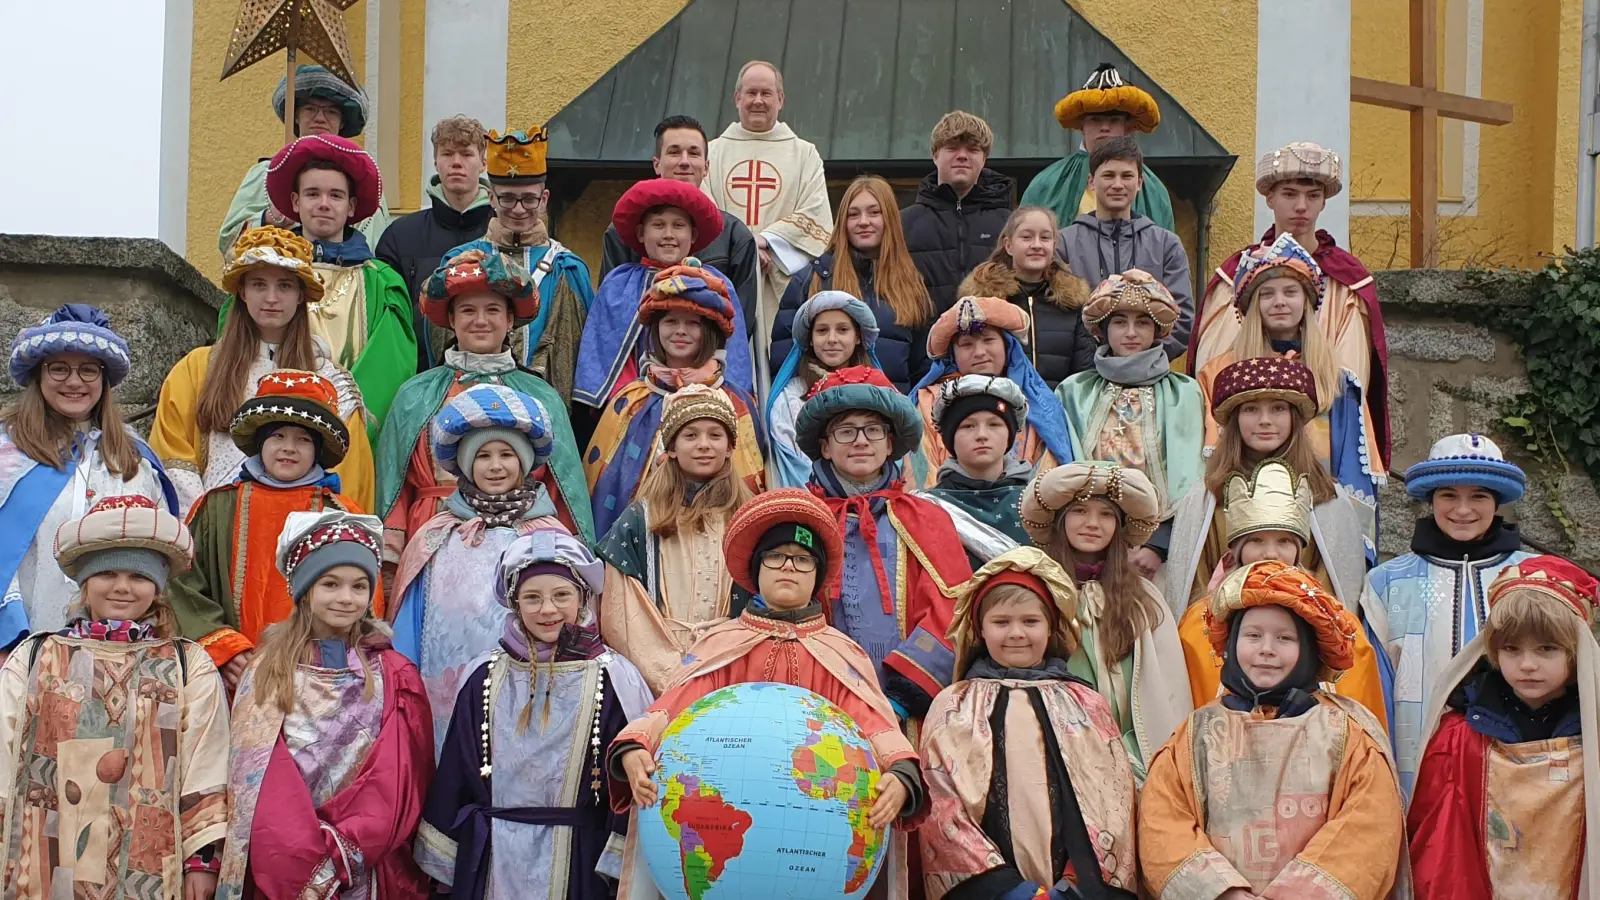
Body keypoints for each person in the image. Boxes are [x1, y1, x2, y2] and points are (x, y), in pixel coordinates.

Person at [607, 489, 925, 900]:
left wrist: (901, 773)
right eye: (775, 556)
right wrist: (635, 746)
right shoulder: (720, 644)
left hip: (815, 845)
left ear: (818, 574)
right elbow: (675, 705)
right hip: (720, 831)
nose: (788, 567)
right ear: (756, 569)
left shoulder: (842, 655)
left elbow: (873, 722)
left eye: (803, 558)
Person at [1138, 559, 1408, 900]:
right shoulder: (1195, 736)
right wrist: (1223, 893)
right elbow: (1162, 823)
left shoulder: (1348, 736)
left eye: (1284, 638)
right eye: (1253, 635)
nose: (1266, 649)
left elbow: (1369, 826)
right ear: (1233, 643)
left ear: (1308, 649)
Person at [0, 495, 226, 899]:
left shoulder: (187, 664)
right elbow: (2, 748)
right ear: (85, 583)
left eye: (138, 577)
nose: (122, 587)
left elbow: (204, 763)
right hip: (44, 864)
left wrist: (202, 861)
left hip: (150, 863)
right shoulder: (36, 656)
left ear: (156, 588)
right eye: (107, 574)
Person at [419, 530, 656, 898]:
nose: (548, 609)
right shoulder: (484, 675)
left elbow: (624, 782)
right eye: (532, 597)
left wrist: (614, 864)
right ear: (515, 603)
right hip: (494, 859)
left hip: (579, 861)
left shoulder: (613, 678)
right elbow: (456, 770)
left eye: (561, 595)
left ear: (582, 598)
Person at [217, 510, 432, 899]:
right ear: (304, 590)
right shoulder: (268, 670)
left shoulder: (396, 674)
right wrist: (301, 856)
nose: (346, 598)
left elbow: (400, 775)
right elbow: (258, 777)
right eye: (330, 584)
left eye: (359, 586)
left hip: (369, 860)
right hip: (282, 859)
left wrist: (344, 850)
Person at [919, 547, 1140, 900]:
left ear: (1051, 627)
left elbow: (1111, 801)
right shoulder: (954, 706)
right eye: (1001, 622)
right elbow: (942, 802)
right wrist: (1009, 891)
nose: (1017, 633)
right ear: (979, 629)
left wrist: (1076, 884)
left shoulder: (1086, 704)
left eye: (1030, 621)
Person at [376, 254, 593, 575]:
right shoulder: (415, 394)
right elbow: (394, 485)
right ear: (451, 318)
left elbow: (562, 488)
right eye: (467, 310)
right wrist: (391, 564)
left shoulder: (540, 395)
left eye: (492, 310)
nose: (480, 320)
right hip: (431, 536)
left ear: (509, 321)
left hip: (521, 540)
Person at [391, 384, 579, 748]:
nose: (495, 466)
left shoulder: (551, 537)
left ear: (524, 462)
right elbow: (409, 621)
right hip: (443, 691)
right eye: (483, 456)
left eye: (507, 454)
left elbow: (575, 618)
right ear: (465, 463)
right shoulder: (437, 536)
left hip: (531, 688)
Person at [1189, 142, 1391, 471]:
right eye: (1289, 194)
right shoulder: (1236, 276)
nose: (1301, 206)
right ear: (1269, 197)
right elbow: (1213, 374)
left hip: (1320, 442)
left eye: (1312, 196)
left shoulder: (1348, 282)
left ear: (1324, 201)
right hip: (1245, 440)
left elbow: (1349, 380)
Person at [1408, 556, 1600, 898]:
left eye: (1547, 648)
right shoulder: (1460, 737)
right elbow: (1440, 845)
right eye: (1511, 648)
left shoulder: (1593, 738)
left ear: (1576, 651)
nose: (1528, 665)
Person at [168, 370, 375, 686]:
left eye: (303, 439)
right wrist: (225, 650)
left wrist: (334, 666)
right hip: (233, 672)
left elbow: (363, 600)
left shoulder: (341, 513)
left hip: (319, 674)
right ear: (259, 443)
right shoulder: (217, 508)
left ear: (318, 450)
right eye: (278, 436)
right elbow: (183, 582)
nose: (289, 448)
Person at [151, 226, 376, 515]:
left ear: (300, 295)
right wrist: (207, 525)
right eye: (259, 284)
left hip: (304, 539)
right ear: (242, 292)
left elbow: (350, 482)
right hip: (215, 537)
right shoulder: (198, 369)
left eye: (284, 285)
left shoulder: (333, 382)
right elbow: (172, 460)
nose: (271, 297)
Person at [795, 366, 973, 719]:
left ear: (890, 444)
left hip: (911, 715)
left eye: (873, 430)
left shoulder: (927, 518)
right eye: (846, 431)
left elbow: (952, 611)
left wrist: (905, 695)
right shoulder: (799, 518)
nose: (861, 440)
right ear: (825, 447)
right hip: (817, 710)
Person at [0, 305, 178, 648]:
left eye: (88, 370)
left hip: (117, 651)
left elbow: (155, 557)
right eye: (59, 369)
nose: (74, 381)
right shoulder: (8, 453)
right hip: (22, 641)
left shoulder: (134, 460)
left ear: (104, 379)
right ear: (38, 375)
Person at [1369, 433, 1532, 793]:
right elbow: (1373, 682)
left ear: (1497, 501)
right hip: (1413, 759)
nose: (1462, 510)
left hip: (1518, 756)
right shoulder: (1385, 582)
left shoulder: (1533, 576)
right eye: (1449, 496)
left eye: (1478, 496)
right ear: (1431, 499)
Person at [1194, 232, 1384, 538]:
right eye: (1267, 294)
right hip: (1243, 528)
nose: (1279, 302)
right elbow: (1209, 464)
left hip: (1320, 529)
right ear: (1252, 305)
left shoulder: (1338, 380)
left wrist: (1348, 546)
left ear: (1307, 302)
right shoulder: (1219, 373)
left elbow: (1353, 474)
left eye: (1291, 292)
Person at [1159, 357, 1378, 622]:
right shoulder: (1205, 498)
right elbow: (1194, 584)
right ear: (1234, 418)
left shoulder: (1327, 497)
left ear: (1294, 418)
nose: (1265, 420)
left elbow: (1336, 588)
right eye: (1251, 409)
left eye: (1277, 408)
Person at [1174, 460, 1389, 725]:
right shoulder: (1198, 624)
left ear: (1300, 549)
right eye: (1256, 540)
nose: (1271, 553)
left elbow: (1360, 712)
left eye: (1284, 541)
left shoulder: (1336, 621)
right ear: (1236, 551)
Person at [1020, 462, 1190, 778]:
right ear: (1060, 521)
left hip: (1134, 757)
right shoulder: (1035, 591)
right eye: (1080, 511)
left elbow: (1169, 688)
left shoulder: (1144, 598)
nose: (1093, 524)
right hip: (1059, 754)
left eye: (1106, 514)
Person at [584, 265, 765, 537]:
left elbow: (753, 480)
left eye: (693, 323)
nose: (680, 331)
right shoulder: (631, 399)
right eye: (670, 322)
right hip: (640, 539)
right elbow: (602, 484)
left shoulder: (736, 402)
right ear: (654, 330)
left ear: (711, 331)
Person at [598, 387, 756, 693]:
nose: (704, 445)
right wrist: (670, 675)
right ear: (671, 447)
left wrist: (725, 660)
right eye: (691, 435)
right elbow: (623, 612)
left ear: (729, 447)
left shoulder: (747, 516)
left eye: (715, 435)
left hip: (730, 665)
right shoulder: (640, 520)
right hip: (656, 676)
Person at [255, 133, 417, 430]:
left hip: (352, 433)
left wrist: (344, 423)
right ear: (295, 201)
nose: (324, 204)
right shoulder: (264, 275)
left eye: (336, 195)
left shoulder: (381, 283)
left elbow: (390, 370)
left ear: (352, 206)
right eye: (313, 194)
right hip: (274, 429)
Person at [1056, 270, 1203, 568]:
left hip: (1157, 553)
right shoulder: (1074, 391)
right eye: (1120, 322)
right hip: (1085, 544)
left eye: (1143, 322)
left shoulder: (1184, 393)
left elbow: (1192, 476)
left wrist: (1159, 545)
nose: (1131, 333)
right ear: (1103, 329)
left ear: (1157, 330)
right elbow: (1060, 468)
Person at [574, 178, 755, 410]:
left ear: (694, 234)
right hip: (634, 406)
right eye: (658, 225)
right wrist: (637, 399)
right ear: (640, 233)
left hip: (705, 405)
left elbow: (732, 355)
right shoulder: (618, 285)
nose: (668, 234)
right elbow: (606, 356)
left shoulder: (715, 284)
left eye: (678, 225)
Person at [441, 127, 593, 401]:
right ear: (491, 198)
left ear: (544, 199)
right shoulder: (457, 261)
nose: (519, 208)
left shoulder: (568, 269)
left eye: (529, 198)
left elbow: (584, 360)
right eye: (508, 197)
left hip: (547, 411)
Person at [702, 60, 833, 330]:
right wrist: (745, 249)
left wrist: (765, 242)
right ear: (737, 98)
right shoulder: (710, 154)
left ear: (781, 99)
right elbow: (704, 211)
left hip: (782, 284)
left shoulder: (804, 154)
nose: (758, 101)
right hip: (726, 281)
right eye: (751, 93)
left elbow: (816, 213)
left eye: (766, 93)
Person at [773, 174, 935, 391]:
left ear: (890, 219)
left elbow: (923, 369)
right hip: (824, 413)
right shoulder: (812, 279)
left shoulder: (912, 284)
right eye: (853, 214)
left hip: (893, 414)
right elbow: (784, 360)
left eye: (874, 212)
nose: (864, 221)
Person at [218, 64, 392, 259]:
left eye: (331, 112)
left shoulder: (363, 181)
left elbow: (377, 247)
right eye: (310, 109)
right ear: (296, 116)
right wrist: (268, 218)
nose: (320, 118)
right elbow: (228, 241)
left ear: (342, 122)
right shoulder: (266, 173)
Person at [601, 115, 760, 327]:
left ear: (705, 167)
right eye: (674, 152)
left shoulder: (735, 236)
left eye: (693, 153)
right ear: (657, 164)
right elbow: (609, 312)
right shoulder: (622, 233)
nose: (684, 162)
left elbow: (740, 323)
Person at [909, 295, 1076, 489]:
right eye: (967, 344)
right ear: (953, 354)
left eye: (988, 340)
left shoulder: (1038, 403)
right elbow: (921, 473)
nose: (979, 352)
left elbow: (1050, 475)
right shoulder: (928, 401)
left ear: (1007, 346)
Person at [375, 115, 497, 368]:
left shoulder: (501, 232)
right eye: (447, 154)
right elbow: (387, 324)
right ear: (435, 161)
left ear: (483, 162)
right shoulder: (399, 237)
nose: (456, 163)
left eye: (466, 154)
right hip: (419, 376)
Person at [1057, 136, 1192, 359]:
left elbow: (1182, 317)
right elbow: (1056, 318)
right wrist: (1095, 361)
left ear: (1139, 183)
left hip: (1149, 377)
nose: (1117, 184)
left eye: (1127, 176)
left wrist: (1142, 362)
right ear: (1091, 182)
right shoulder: (1064, 244)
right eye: (1108, 175)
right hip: (1083, 376)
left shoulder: (1166, 245)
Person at [1021, 63, 1176, 233]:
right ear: (1081, 126)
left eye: (1114, 120)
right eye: (1095, 119)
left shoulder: (1155, 192)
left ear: (1128, 126)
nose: (1105, 127)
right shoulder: (1046, 184)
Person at [958, 205, 1095, 387]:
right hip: (999, 409)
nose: (1036, 245)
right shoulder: (982, 302)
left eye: (1045, 237)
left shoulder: (1072, 303)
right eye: (1026, 237)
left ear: (1054, 245)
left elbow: (1082, 374)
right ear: (1008, 245)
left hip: (1057, 409)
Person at [767, 291, 885, 489]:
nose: (832, 339)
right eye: (822, 330)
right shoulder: (791, 397)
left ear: (857, 337)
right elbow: (793, 462)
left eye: (842, 329)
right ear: (810, 339)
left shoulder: (879, 390)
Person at [901, 111, 1015, 315]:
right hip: (921, 342)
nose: (962, 156)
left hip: (989, 342)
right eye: (952, 148)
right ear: (935, 155)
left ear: (984, 158)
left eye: (972, 149)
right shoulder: (903, 224)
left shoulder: (1010, 224)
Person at [918, 375, 1034, 559]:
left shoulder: (1038, 502)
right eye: (968, 426)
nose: (981, 435)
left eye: (994, 424)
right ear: (950, 439)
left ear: (1010, 436)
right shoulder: (926, 507)